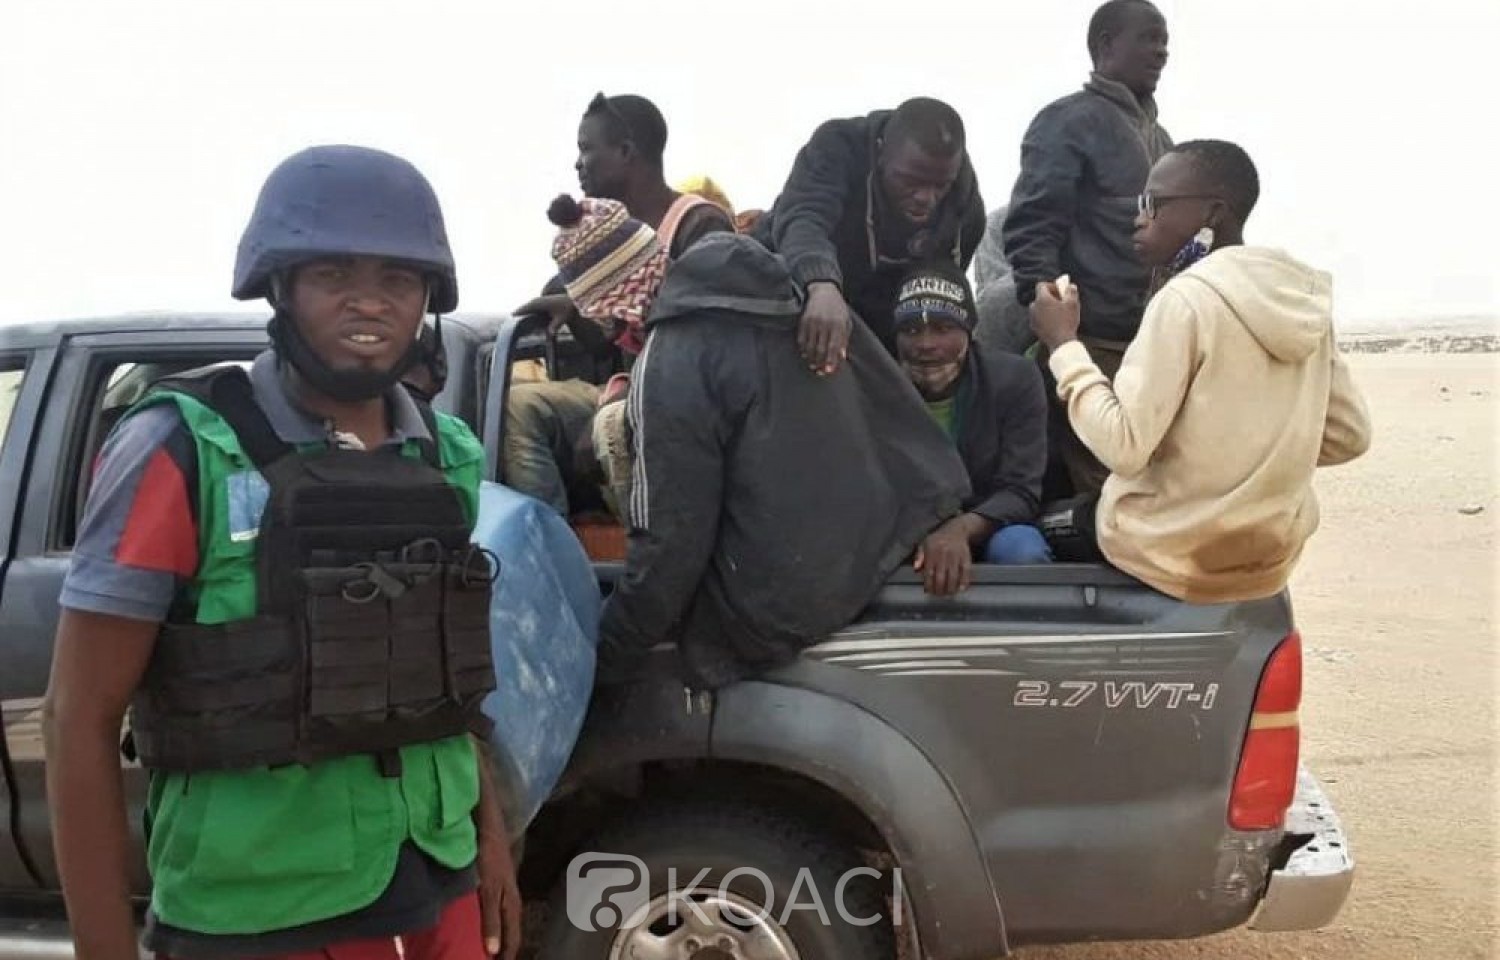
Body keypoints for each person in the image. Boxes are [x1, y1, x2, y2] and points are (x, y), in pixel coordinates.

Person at [43, 145, 522, 960]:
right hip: (255, 910)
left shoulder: (447, 455)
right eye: (333, 273)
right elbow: (76, 718)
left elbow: (446, 681)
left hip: (436, 886)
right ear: (281, 286)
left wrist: (491, 842)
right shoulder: (180, 449)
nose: (368, 300)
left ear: (427, 299)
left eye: (398, 277)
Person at [585, 221, 971, 690]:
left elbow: (671, 539)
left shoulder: (673, 358)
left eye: (603, 320)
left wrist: (605, 658)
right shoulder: (804, 300)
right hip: (874, 559)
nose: (612, 335)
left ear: (617, 303)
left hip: (776, 618)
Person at [1029, 139, 1373, 604]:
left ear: (1213, 213)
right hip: (1267, 559)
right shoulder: (1304, 301)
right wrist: (1248, 465)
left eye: (1154, 203)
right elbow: (1350, 436)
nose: (1139, 218)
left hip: (1168, 553)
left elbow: (1123, 447)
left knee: (1039, 527)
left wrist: (1063, 344)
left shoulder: (1185, 300)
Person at [506, 93, 733, 516]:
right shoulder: (611, 236)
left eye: (586, 149)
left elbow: (704, 347)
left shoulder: (700, 225)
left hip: (684, 403)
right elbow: (607, 345)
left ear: (626, 152)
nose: (578, 164)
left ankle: (647, 539)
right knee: (519, 407)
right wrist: (576, 307)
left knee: (613, 427)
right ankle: (547, 539)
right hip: (628, 390)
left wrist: (624, 401)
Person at [1003, 0, 1174, 496]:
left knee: (1151, 483)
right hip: (1089, 342)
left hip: (1149, 346)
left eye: (1165, 42)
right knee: (1107, 491)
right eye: (1149, 38)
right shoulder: (1068, 121)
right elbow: (1033, 226)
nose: (1161, 52)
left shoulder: (1163, 141)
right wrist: (1056, 324)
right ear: (1105, 45)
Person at [752, 97, 986, 372]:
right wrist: (820, 282)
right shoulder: (837, 145)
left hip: (883, 312)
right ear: (881, 151)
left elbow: (941, 283)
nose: (926, 198)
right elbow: (803, 219)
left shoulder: (964, 200)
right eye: (910, 181)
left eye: (940, 186)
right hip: (794, 289)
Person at [893, 263, 1051, 597]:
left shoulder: (1015, 380)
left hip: (990, 524)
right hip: (903, 531)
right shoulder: (878, 389)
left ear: (968, 330)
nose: (926, 344)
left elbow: (1021, 491)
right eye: (911, 330)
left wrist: (960, 530)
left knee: (1022, 551)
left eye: (943, 328)